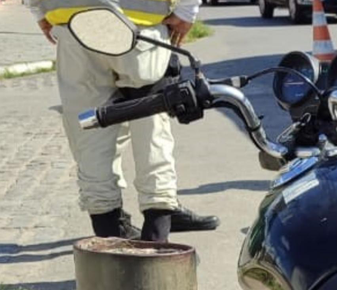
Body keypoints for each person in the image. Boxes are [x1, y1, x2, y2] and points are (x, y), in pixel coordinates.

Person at [30, 0, 219, 241]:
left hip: (71, 22)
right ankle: (156, 232)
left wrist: (37, 9)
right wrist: (187, 9)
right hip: (138, 25)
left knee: (90, 132)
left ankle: (109, 238)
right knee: (151, 124)